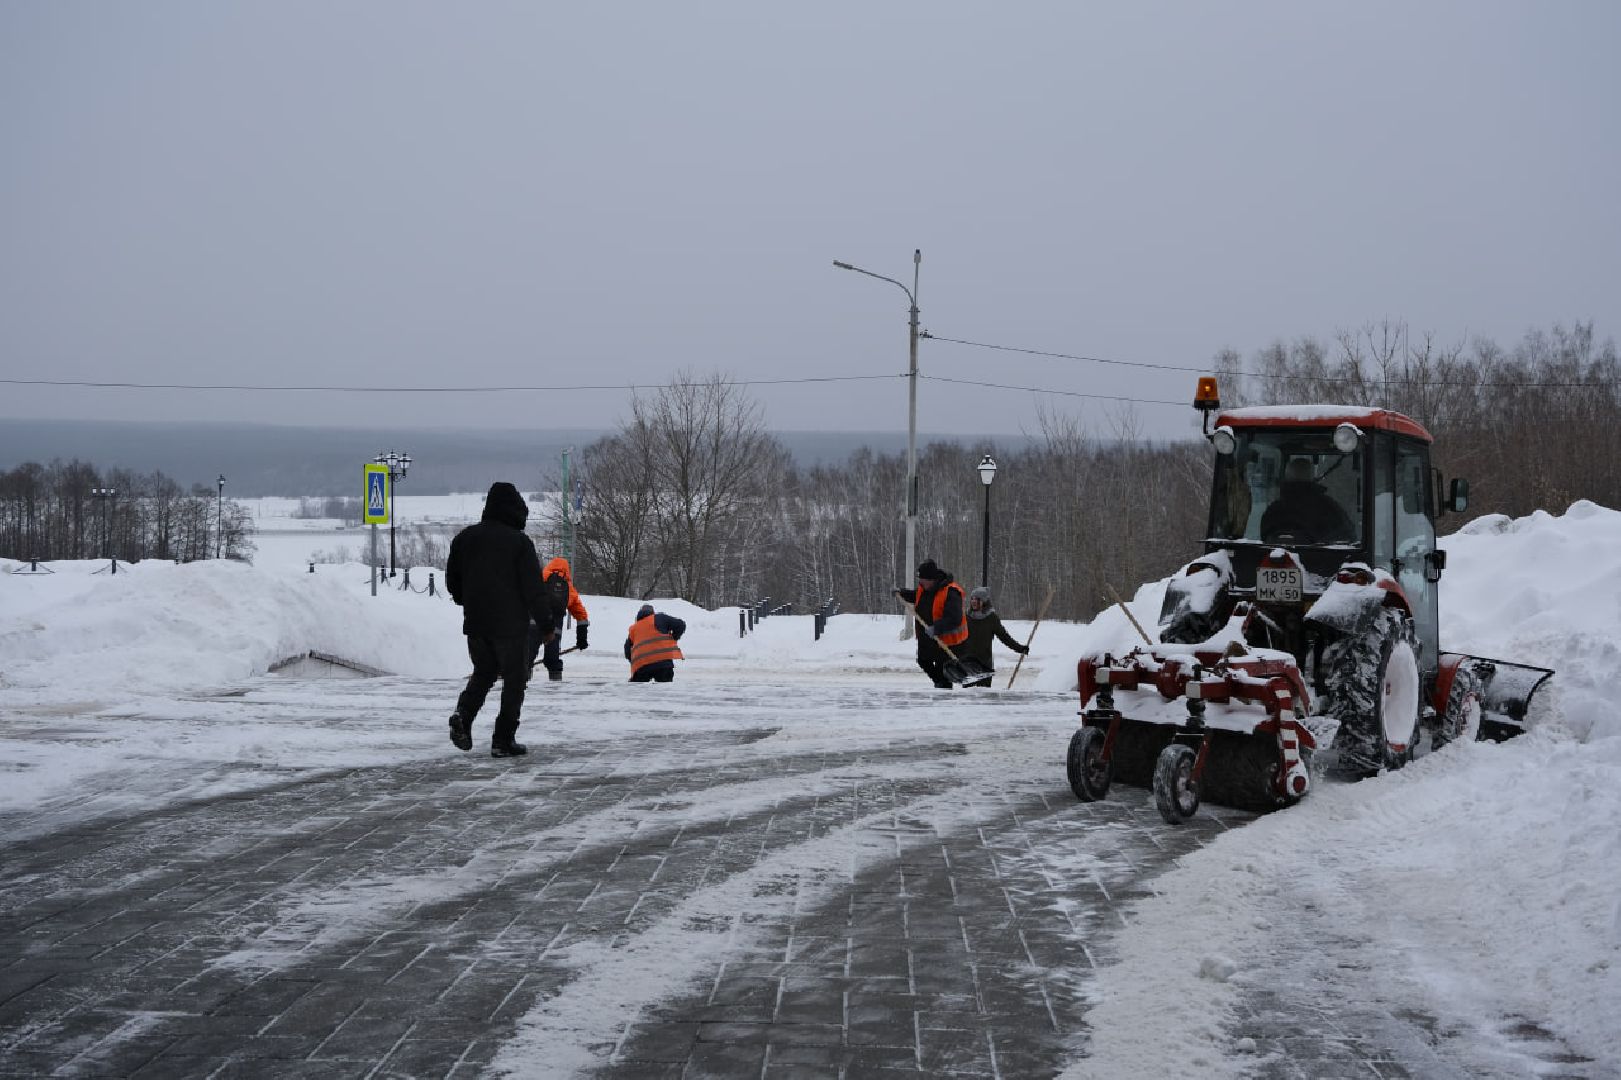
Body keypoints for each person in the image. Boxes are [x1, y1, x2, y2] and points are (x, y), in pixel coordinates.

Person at [444, 482, 557, 758]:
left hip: (476, 623)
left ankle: (463, 715)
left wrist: (467, 601)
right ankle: (503, 739)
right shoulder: (519, 542)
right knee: (515, 680)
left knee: (483, 673)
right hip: (510, 626)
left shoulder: (464, 538)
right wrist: (546, 625)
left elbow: (453, 582)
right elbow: (533, 589)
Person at [892, 559, 968, 689]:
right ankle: (940, 683)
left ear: (932, 579)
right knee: (923, 660)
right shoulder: (924, 588)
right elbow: (915, 596)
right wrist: (901, 592)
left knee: (942, 669)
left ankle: (943, 689)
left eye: (923, 580)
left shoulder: (951, 592)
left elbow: (954, 618)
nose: (920, 583)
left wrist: (936, 628)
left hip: (944, 640)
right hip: (927, 637)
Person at [1261, 457, 1354, 543]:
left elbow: (1263, 538)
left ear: (1287, 476)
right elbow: (1347, 539)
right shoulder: (1329, 510)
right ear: (1311, 476)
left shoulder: (1273, 511)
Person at [530, 556, 590, 681]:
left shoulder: (540, 578)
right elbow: (581, 614)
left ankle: (521, 680)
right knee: (553, 656)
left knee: (527, 654)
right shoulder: (568, 587)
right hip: (554, 626)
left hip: (535, 621)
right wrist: (582, 638)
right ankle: (555, 683)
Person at [958, 587, 1029, 687]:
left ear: (984, 601)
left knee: (984, 693)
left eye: (977, 599)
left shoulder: (991, 619)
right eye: (972, 598)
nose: (973, 601)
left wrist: (1019, 648)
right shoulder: (966, 617)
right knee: (969, 695)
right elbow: (957, 635)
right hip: (968, 664)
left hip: (985, 664)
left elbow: (1004, 637)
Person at [625, 603, 686, 682]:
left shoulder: (634, 628)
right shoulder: (659, 618)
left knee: (639, 689)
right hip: (662, 663)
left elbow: (627, 649)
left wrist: (634, 661)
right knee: (664, 688)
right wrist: (674, 637)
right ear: (652, 612)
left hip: (641, 666)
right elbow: (681, 625)